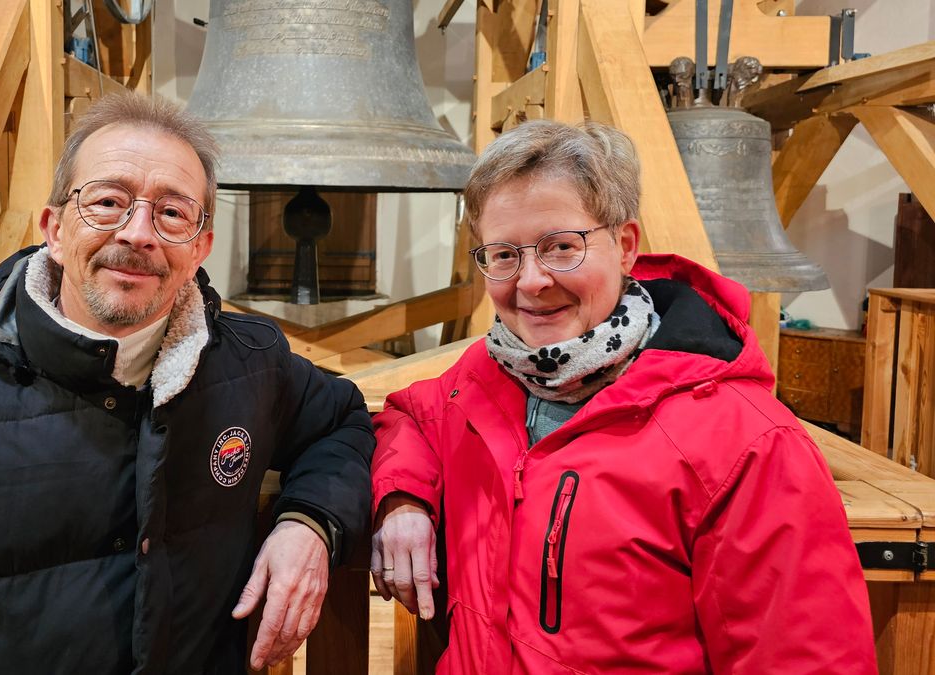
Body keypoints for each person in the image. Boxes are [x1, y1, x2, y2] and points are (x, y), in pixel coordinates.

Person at [0, 91, 374, 674]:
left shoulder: (250, 366)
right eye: (109, 202)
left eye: (171, 213)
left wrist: (310, 525)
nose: (138, 234)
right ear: (55, 229)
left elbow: (343, 422)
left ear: (199, 249)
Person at [370, 119, 876, 673]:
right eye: (504, 254)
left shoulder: (748, 443)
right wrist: (404, 500)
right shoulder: (484, 376)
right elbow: (410, 418)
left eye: (561, 247)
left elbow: (804, 657)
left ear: (625, 246)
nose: (531, 281)